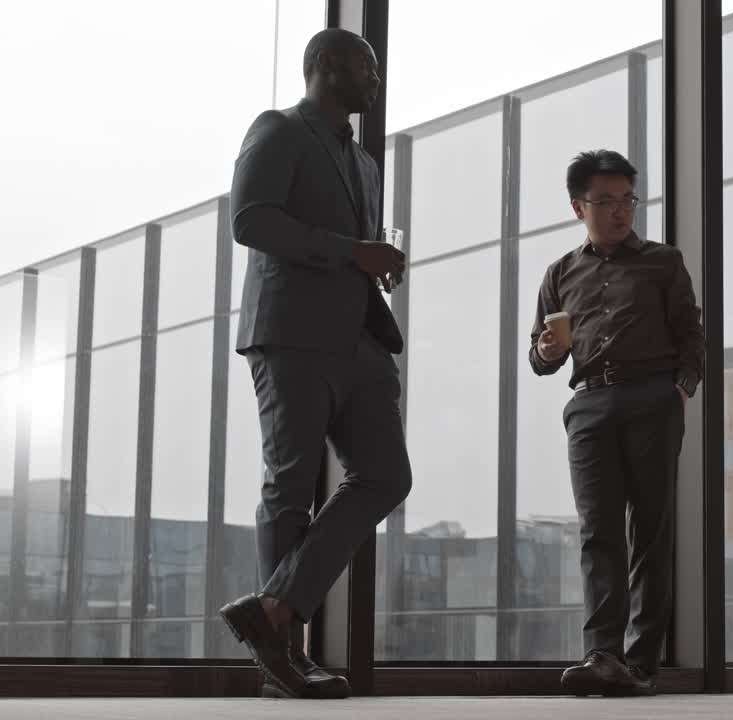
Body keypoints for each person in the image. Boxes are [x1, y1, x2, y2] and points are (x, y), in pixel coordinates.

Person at [218, 28, 411, 699]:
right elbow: (251, 221)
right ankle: (285, 658)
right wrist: (353, 252)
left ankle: (272, 612)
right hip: (292, 335)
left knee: (386, 476)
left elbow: (355, 247)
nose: (376, 79)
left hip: (361, 342)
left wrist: (374, 263)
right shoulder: (278, 129)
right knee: (290, 488)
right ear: (327, 64)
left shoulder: (365, 164)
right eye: (367, 66)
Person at [529, 150, 705, 696]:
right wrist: (545, 350)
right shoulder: (560, 272)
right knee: (597, 531)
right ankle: (603, 654)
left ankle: (641, 664)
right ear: (578, 207)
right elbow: (540, 358)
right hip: (588, 403)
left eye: (628, 199)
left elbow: (692, 334)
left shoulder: (663, 261)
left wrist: (681, 388)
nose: (621, 211)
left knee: (649, 530)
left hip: (652, 397)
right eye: (605, 201)